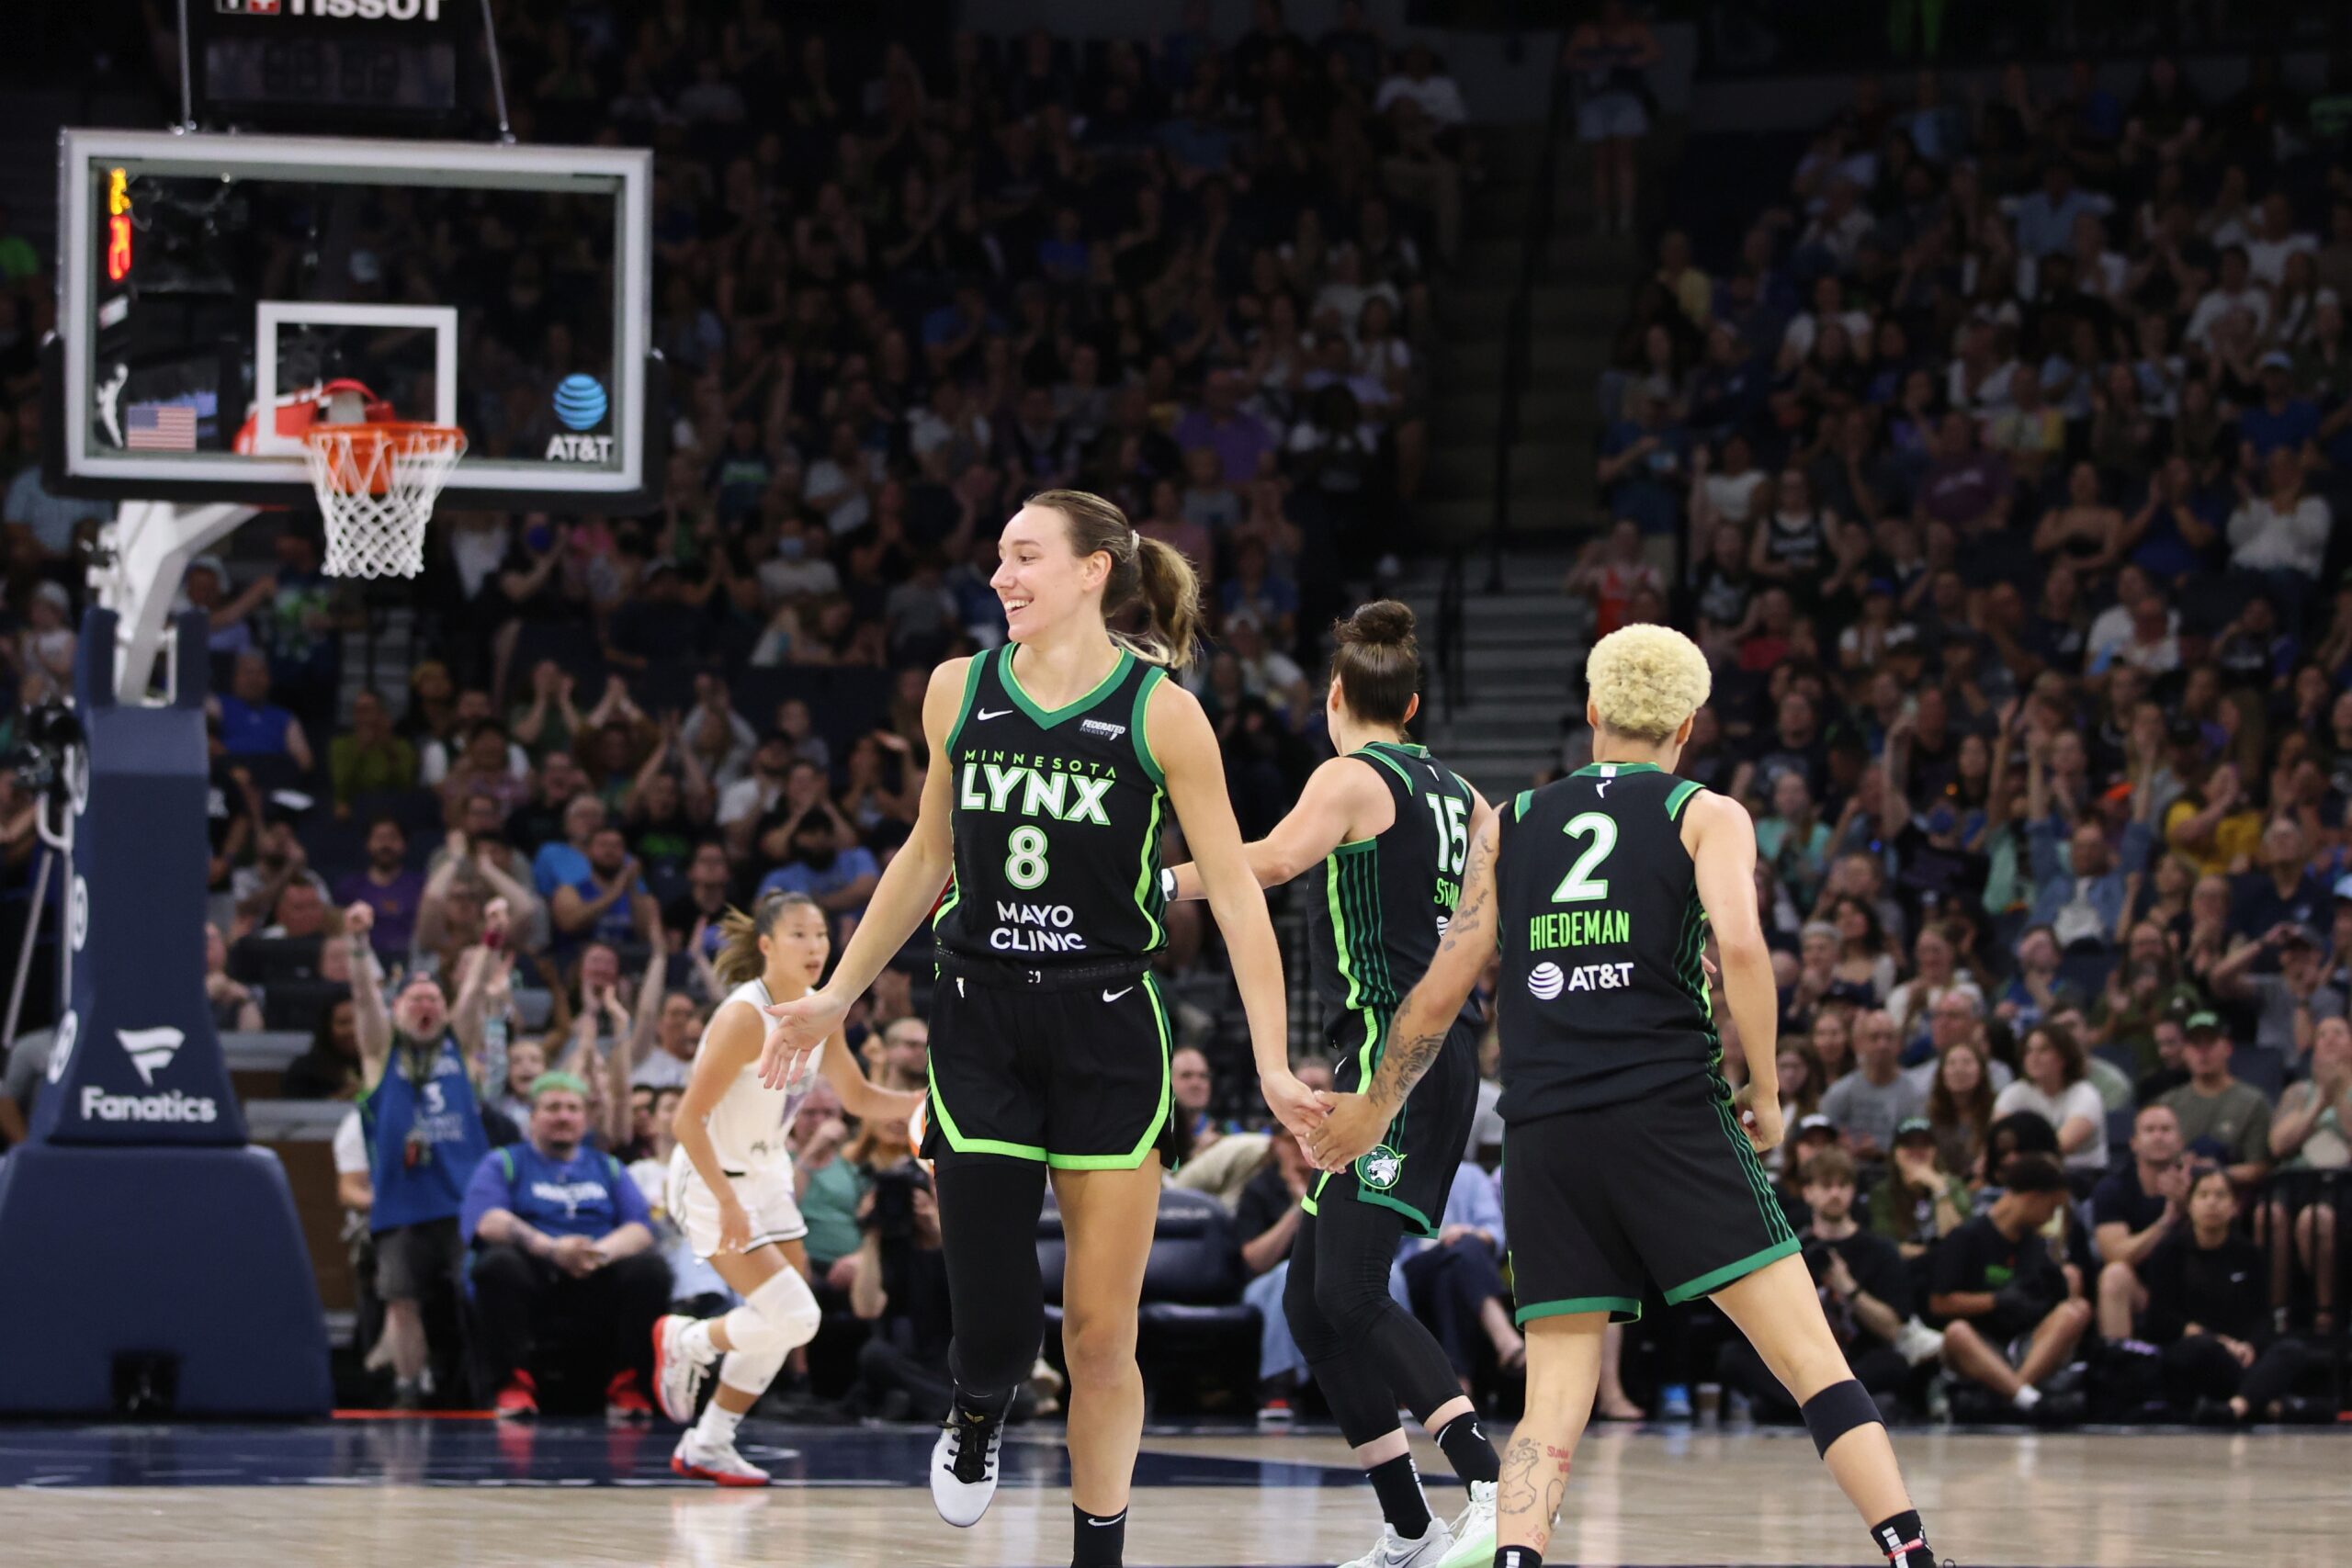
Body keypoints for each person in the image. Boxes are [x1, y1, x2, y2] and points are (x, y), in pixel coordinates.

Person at [755, 489, 1309, 1568]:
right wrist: (839, 995)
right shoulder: (959, 689)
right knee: (1002, 1333)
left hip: (1109, 1025)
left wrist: (1278, 1060)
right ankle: (975, 1409)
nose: (1001, 577)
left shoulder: (1161, 713)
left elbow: (1239, 896)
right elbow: (926, 855)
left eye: (1024, 557)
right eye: (999, 559)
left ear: (1093, 570)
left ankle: (1097, 1550)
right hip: (981, 1021)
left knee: (1104, 1336)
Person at [1312, 624, 1944, 1568]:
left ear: (1593, 711)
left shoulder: (1511, 821)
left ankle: (1518, 1561)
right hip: (1670, 1114)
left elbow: (1441, 991)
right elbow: (1739, 950)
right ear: (1686, 725)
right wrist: (1763, 1088)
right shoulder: (1706, 812)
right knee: (1812, 1362)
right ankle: (1910, 1556)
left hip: (1546, 1131)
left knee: (1554, 1399)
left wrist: (1369, 1107)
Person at [1168, 597, 1499, 1568]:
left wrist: (1152, 884)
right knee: (1312, 1299)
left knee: (1349, 1292)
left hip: (1391, 1069)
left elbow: (1267, 861)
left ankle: (1488, 1485)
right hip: (1434, 1058)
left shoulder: (1352, 776)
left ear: (1338, 696)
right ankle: (1408, 1527)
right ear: (1415, 703)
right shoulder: (1468, 797)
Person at [650, 892, 922, 1485]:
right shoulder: (744, 1016)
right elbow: (684, 1120)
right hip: (710, 1177)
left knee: (779, 1316)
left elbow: (855, 1097)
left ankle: (711, 1441)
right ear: (767, 945)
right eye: (800, 933)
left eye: (822, 934)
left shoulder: (823, 1009)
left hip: (766, 1171)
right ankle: (688, 1337)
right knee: (796, 1317)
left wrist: (925, 1102)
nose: (816, 946)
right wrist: (725, 1201)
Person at [345, 900, 499, 1409]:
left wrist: (491, 938)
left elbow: (475, 991)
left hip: (463, 1205)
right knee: (401, 1301)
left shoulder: (461, 1047)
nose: (425, 1005)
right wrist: (357, 946)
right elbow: (364, 998)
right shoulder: (378, 1057)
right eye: (414, 999)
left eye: (433, 997)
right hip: (401, 1207)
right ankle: (411, 1388)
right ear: (398, 1010)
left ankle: (487, 1384)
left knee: (478, 1293)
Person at [459, 1072, 669, 1419]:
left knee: (649, 1270)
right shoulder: (505, 1162)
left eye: (572, 1108)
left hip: (596, 1271)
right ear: (532, 1118)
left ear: (585, 1119)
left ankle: (628, 1385)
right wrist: (553, 1249)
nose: (563, 1116)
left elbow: (641, 1228)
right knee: (496, 1264)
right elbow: (487, 1220)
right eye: (552, 1107)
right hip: (535, 1272)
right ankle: (513, 1385)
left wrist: (598, 1254)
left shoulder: (608, 1167)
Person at [2140, 1165, 2321, 1424]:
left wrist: (2250, 1346)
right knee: (2203, 1350)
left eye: (2220, 1195)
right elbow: (2161, 1319)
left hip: (2240, 1355)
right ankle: (2268, 1405)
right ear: (2189, 1206)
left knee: (2292, 1348)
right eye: (2203, 1195)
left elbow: (2262, 1317)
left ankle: (2236, 1407)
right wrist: (2219, 1341)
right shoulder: (2170, 1252)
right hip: (2195, 1349)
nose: (2211, 1203)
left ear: (2234, 1207)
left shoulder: (2248, 1254)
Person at [1927, 1154, 2093, 1423]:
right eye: (2051, 1208)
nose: (2050, 1217)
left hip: (2022, 1347)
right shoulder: (1966, 1237)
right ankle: (2028, 1399)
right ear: (2032, 1198)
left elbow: (2054, 1303)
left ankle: (2017, 1395)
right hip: (1979, 1347)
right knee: (1957, 1333)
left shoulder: (2037, 1246)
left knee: (2077, 1309)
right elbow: (1940, 1303)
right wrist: (1996, 1300)